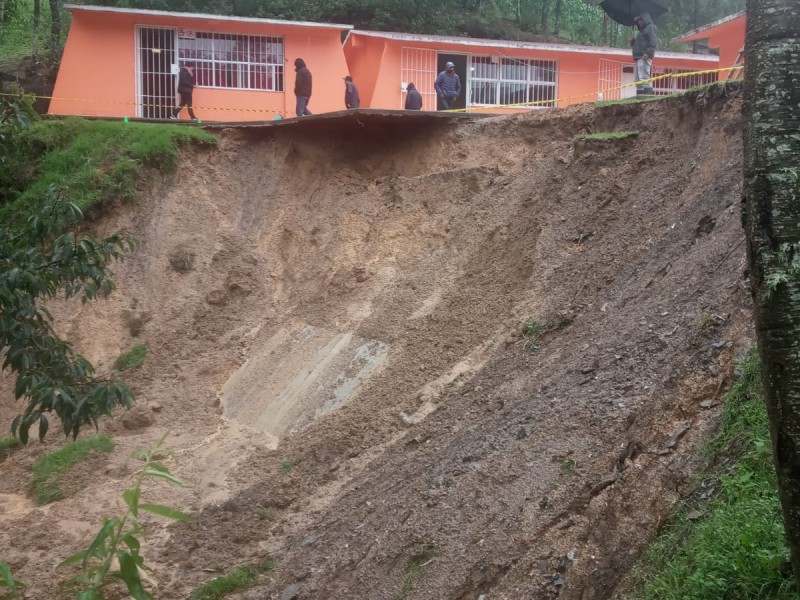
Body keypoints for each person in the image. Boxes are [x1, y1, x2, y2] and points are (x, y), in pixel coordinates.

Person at [631, 13, 657, 96]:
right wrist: (633, 42)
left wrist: (648, 53)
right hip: (639, 57)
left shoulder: (651, 27)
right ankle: (639, 97)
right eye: (638, 21)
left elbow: (653, 41)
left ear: (645, 19)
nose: (639, 22)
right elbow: (641, 44)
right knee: (638, 79)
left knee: (644, 77)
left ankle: (647, 97)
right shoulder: (642, 31)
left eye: (640, 20)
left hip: (644, 56)